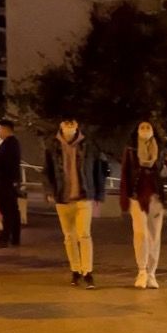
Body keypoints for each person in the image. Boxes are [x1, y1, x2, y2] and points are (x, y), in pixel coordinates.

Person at [43, 119, 106, 289]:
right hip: (63, 198)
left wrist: (99, 193)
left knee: (84, 235)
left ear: (77, 125)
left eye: (72, 122)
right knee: (69, 237)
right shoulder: (52, 146)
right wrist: (49, 191)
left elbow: (97, 169)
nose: (69, 125)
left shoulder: (87, 145)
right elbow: (47, 170)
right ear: (61, 125)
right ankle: (75, 270)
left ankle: (88, 272)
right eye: (65, 122)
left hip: (83, 196)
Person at [119, 122, 167, 289]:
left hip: (156, 197)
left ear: (153, 131)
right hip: (136, 197)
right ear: (137, 131)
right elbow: (125, 173)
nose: (145, 130)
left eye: (148, 127)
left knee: (154, 236)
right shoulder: (131, 150)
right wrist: (123, 198)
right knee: (140, 234)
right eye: (142, 127)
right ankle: (142, 270)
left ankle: (152, 273)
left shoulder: (161, 150)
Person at [0, 119, 22, 248]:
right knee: (12, 210)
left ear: (6, 129)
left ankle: (6, 237)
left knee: (8, 210)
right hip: (8, 181)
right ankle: (14, 237)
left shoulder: (9, 145)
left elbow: (1, 164)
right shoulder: (12, 144)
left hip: (5, 182)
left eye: (0, 129)